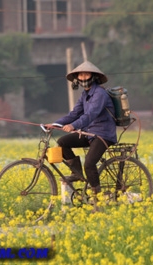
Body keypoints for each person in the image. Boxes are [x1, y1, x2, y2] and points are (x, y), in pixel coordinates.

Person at [47, 60, 117, 199]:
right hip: (90, 132)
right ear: (77, 79)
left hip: (103, 134)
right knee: (62, 142)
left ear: (93, 76)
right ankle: (76, 174)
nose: (83, 78)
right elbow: (74, 114)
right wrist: (55, 124)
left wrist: (73, 126)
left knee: (89, 164)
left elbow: (90, 115)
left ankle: (97, 198)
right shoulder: (85, 95)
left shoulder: (100, 94)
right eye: (81, 75)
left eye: (86, 74)